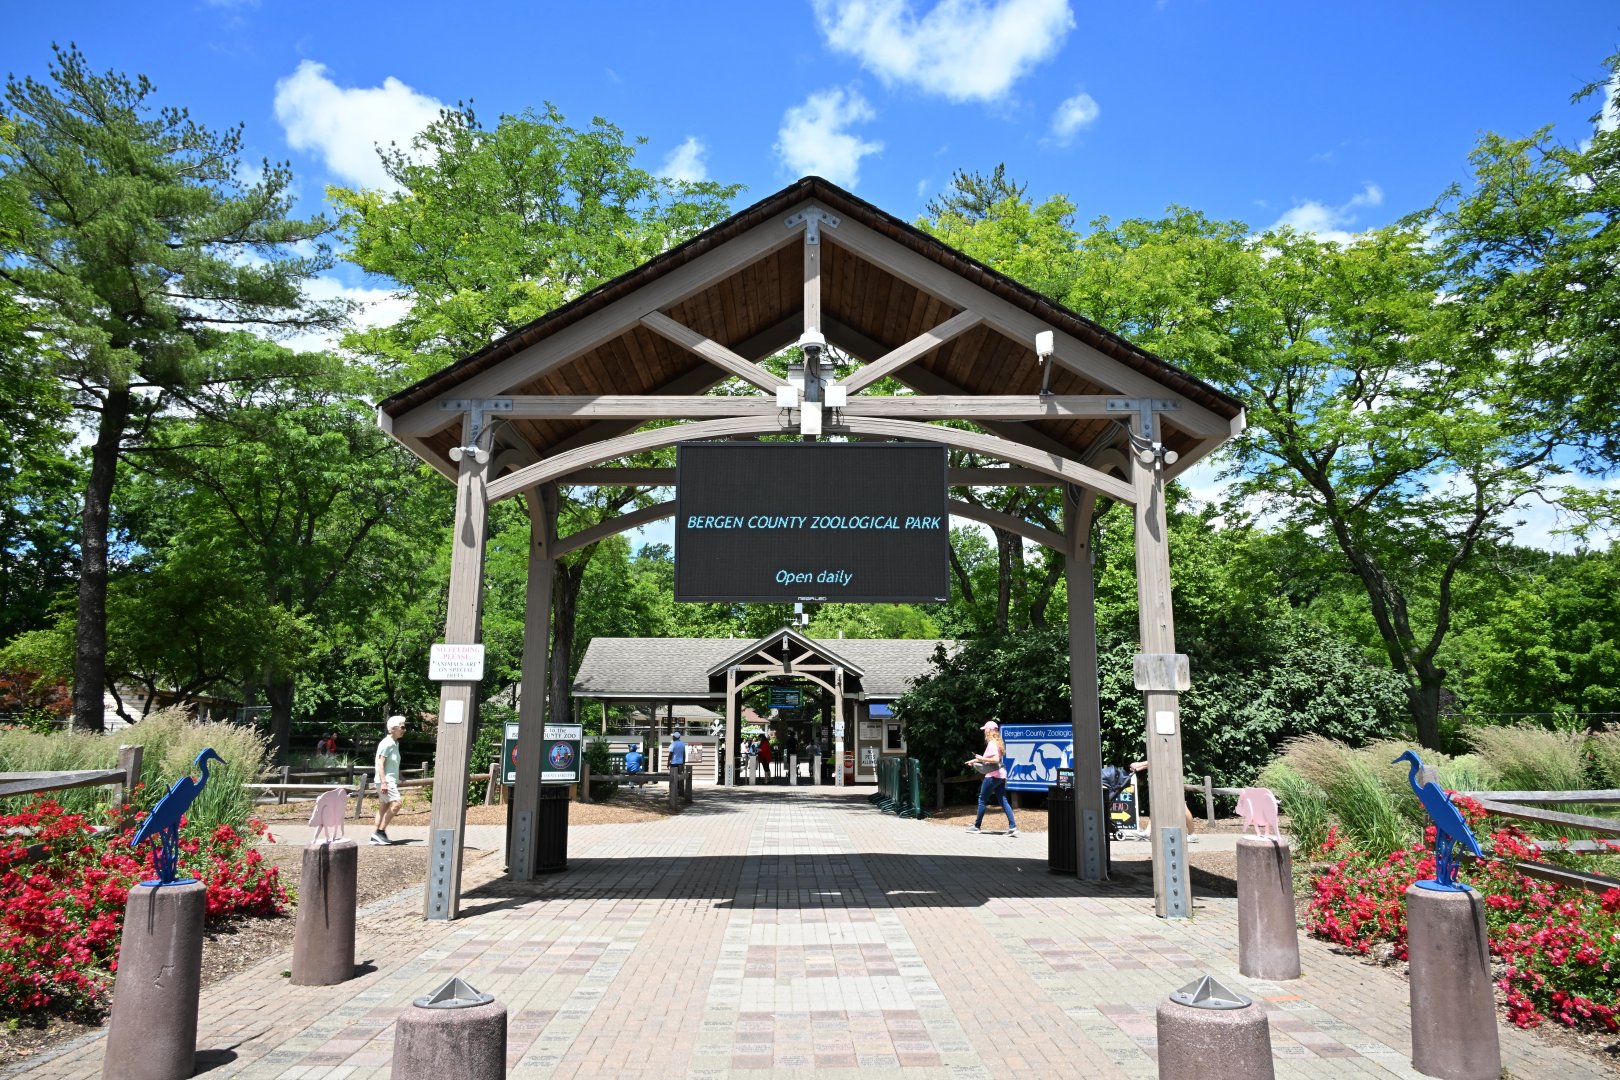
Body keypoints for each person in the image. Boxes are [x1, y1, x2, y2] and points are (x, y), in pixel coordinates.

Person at [966, 719, 1017, 836]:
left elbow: (995, 759)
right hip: (1000, 775)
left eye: (985, 729)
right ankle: (1013, 826)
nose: (984, 731)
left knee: (982, 799)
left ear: (989, 730)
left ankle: (976, 826)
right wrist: (974, 760)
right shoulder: (997, 743)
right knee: (1003, 801)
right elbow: (989, 759)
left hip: (993, 775)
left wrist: (981, 758)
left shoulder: (992, 744)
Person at [1129, 759, 1198, 839]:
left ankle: (1192, 834)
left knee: (1182, 806)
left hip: (1172, 779)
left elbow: (1160, 760)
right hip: (1164, 779)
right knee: (1156, 805)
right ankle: (1148, 831)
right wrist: (1140, 767)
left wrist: (1140, 764)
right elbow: (1156, 762)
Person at [372, 715, 405, 845]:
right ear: (393, 728)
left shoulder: (395, 743)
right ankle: (380, 832)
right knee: (397, 803)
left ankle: (375, 835)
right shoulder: (387, 743)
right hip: (385, 781)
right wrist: (384, 782)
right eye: (402, 727)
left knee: (384, 806)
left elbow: (393, 763)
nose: (404, 730)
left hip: (388, 780)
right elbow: (380, 763)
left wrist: (400, 776)